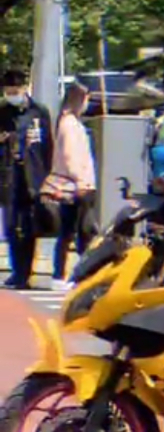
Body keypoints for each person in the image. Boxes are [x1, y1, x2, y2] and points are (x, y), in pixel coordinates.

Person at [0, 69, 52, 289]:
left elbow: (48, 146)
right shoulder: (3, 113)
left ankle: (26, 272)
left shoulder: (39, 112)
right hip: (9, 174)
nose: (12, 95)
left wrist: (47, 176)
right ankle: (17, 270)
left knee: (30, 224)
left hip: (33, 175)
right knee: (11, 224)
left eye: (15, 91)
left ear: (25, 88)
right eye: (8, 92)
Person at [51, 82, 97, 290]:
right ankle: (62, 275)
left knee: (76, 231)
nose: (87, 104)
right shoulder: (69, 124)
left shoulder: (72, 122)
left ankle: (68, 274)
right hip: (75, 186)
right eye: (86, 99)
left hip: (79, 184)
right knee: (76, 231)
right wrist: (80, 179)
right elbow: (69, 155)